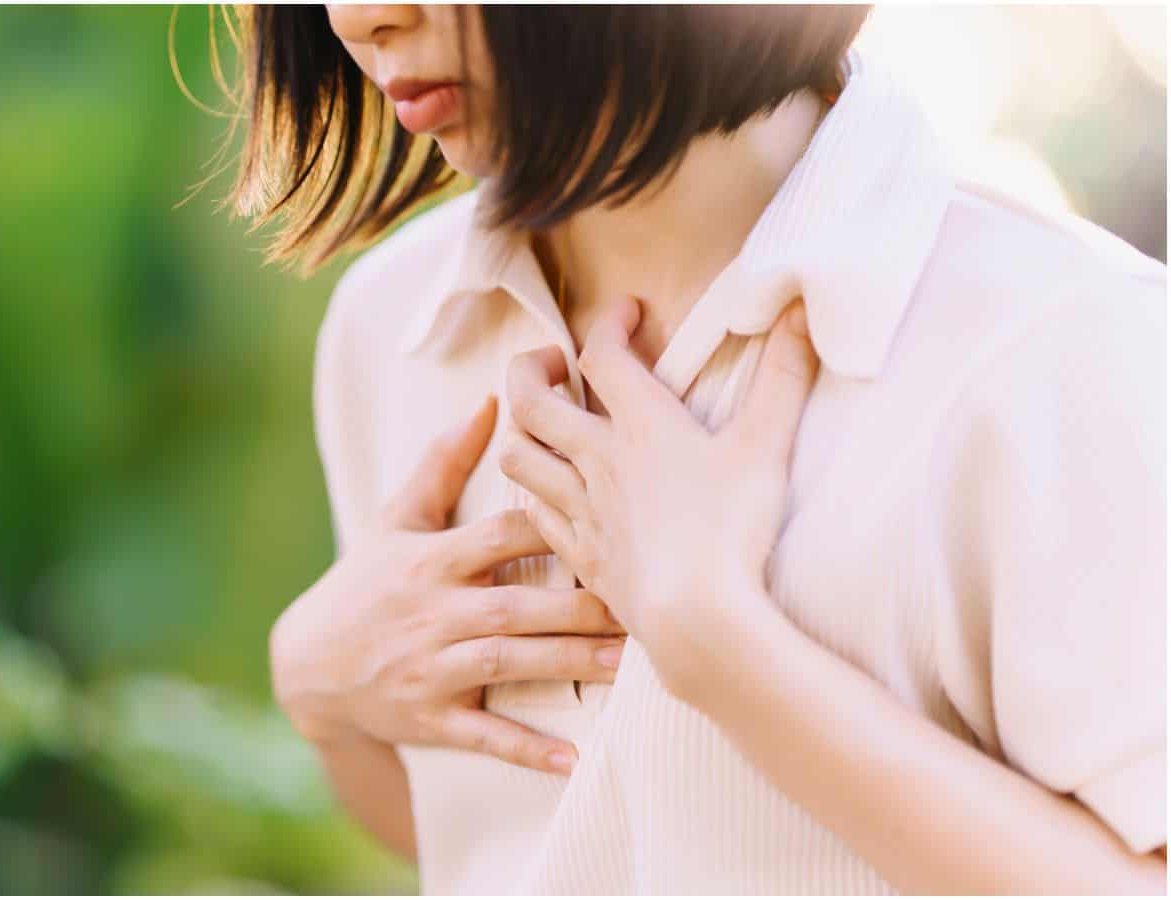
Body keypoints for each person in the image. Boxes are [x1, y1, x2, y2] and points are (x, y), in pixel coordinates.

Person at [219, 5, 1167, 893]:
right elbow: (514, 842)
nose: (355, 17)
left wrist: (722, 646)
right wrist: (321, 697)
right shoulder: (393, 329)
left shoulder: (1062, 344)